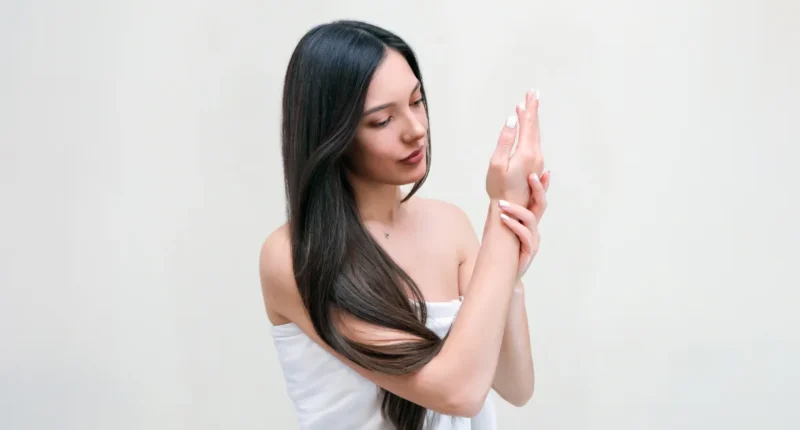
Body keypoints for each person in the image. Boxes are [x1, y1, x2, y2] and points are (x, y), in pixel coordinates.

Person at [259, 20, 550, 430]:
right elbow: (459, 391)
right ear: (332, 136)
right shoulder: (295, 255)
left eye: (416, 101)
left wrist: (509, 273)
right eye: (382, 121)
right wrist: (503, 210)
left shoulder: (450, 224)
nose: (416, 130)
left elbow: (516, 386)